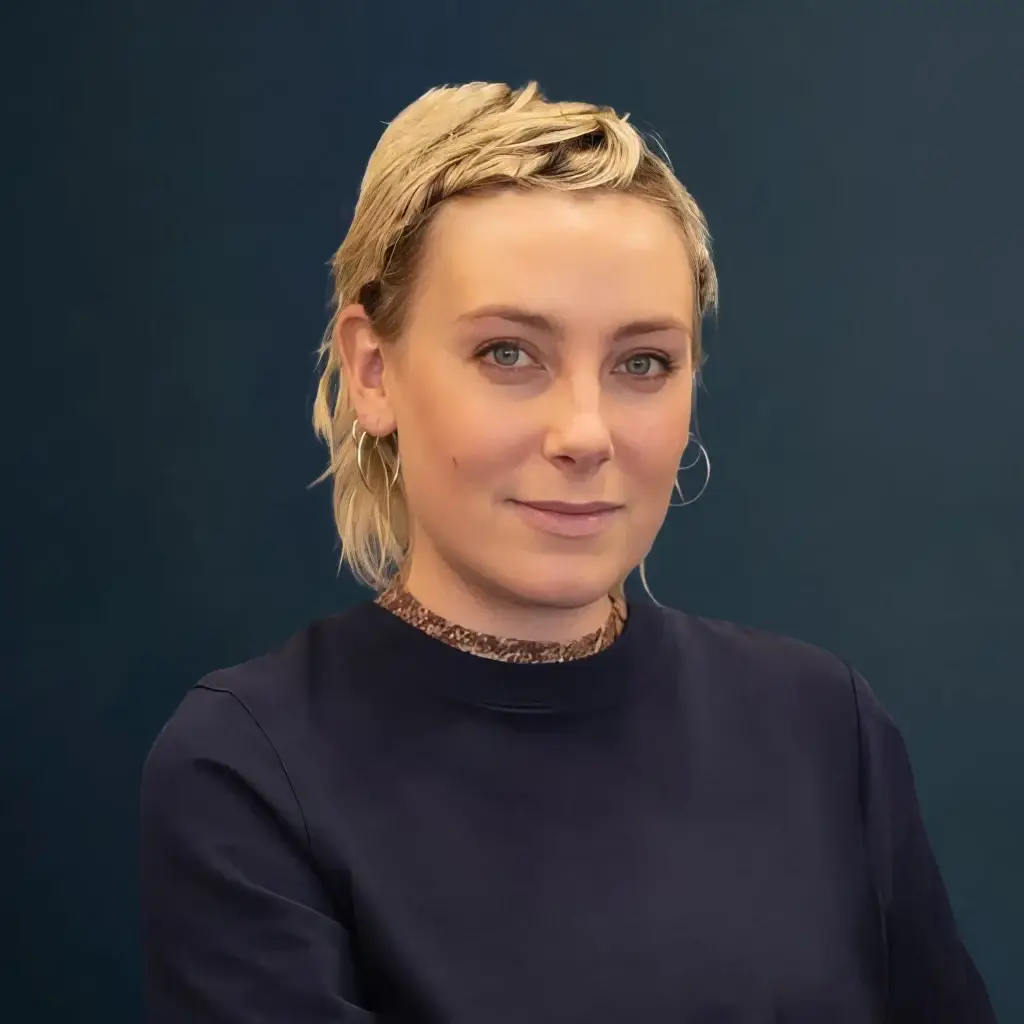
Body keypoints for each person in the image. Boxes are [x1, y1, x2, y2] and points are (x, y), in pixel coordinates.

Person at [139, 81, 995, 1022]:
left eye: (642, 363)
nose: (584, 433)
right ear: (372, 371)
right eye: (510, 353)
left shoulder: (827, 729)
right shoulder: (250, 770)